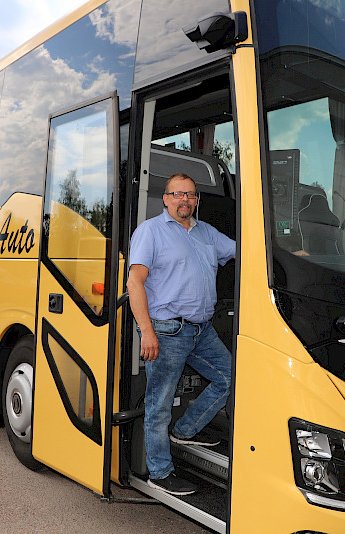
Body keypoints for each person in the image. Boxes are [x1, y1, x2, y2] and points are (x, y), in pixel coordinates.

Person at [127, 173, 235, 496]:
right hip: (166, 330)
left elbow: (244, 251)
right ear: (165, 198)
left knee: (229, 376)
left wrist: (287, 254)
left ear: (196, 200)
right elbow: (134, 282)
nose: (183, 200)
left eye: (189, 194)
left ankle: (186, 430)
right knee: (158, 404)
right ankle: (160, 472)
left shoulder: (207, 234)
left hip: (201, 330)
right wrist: (146, 330)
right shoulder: (151, 232)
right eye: (177, 194)